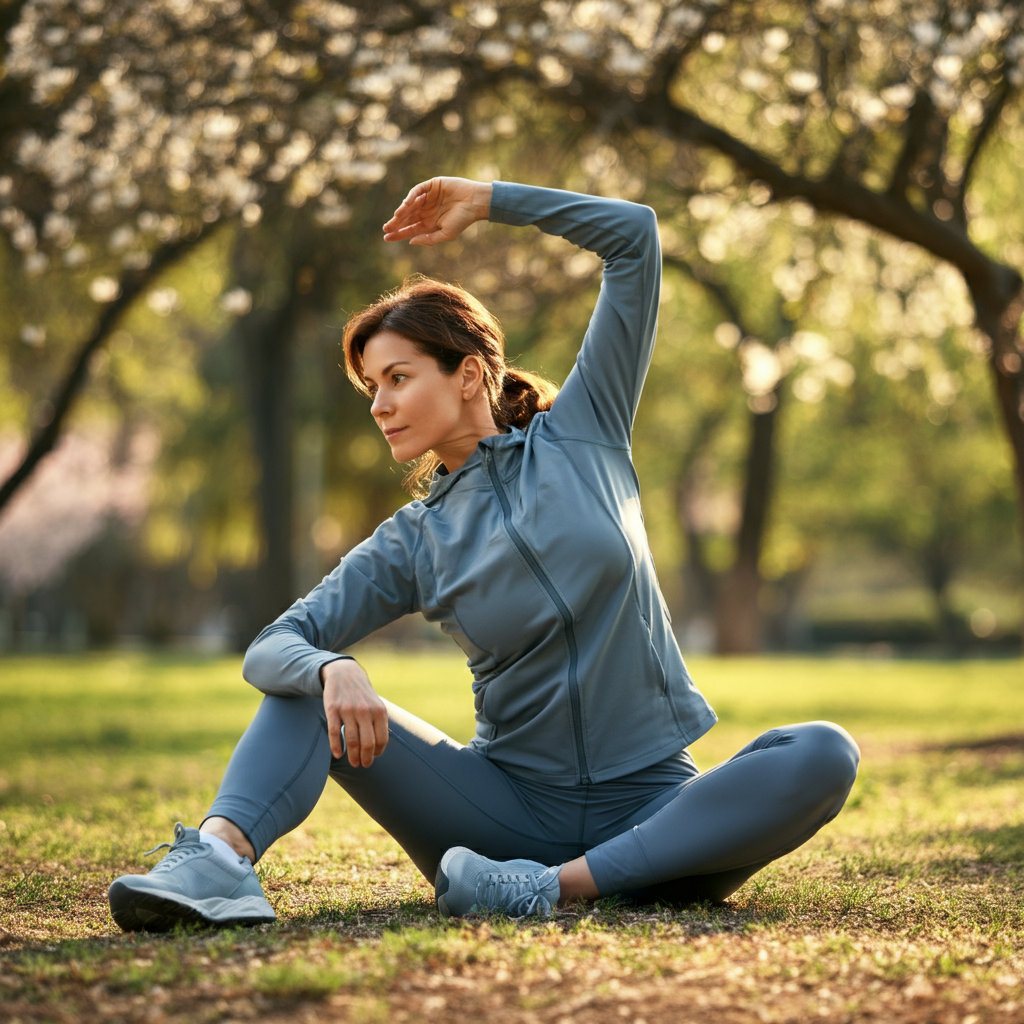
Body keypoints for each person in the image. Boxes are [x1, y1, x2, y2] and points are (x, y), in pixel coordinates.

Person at [108, 178, 860, 931]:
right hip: (501, 820)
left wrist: (491, 200)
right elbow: (273, 646)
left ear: (468, 373)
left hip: (657, 816)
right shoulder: (413, 537)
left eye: (398, 378)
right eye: (372, 386)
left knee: (823, 752)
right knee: (304, 691)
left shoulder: (585, 434)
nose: (378, 404)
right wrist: (334, 667)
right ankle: (218, 861)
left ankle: (554, 887)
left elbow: (634, 237)